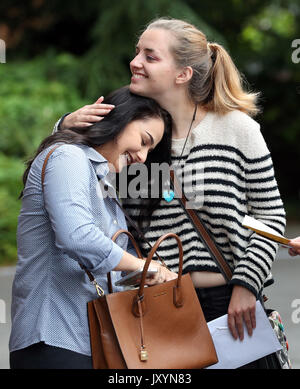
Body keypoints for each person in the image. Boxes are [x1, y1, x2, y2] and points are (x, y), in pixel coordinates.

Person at [54, 17, 286, 368]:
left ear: (183, 74)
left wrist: (246, 286)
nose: (135, 62)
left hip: (233, 305)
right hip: (161, 307)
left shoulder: (237, 129)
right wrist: (64, 125)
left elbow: (270, 216)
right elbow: (71, 181)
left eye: (150, 55)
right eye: (137, 52)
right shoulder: (132, 134)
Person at [9, 86, 177, 369]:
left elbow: (101, 265)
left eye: (151, 149)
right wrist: (143, 266)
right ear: (122, 118)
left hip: (87, 340)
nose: (143, 157)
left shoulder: (102, 180)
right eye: (144, 140)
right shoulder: (69, 157)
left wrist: (138, 277)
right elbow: (77, 237)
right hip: (53, 337)